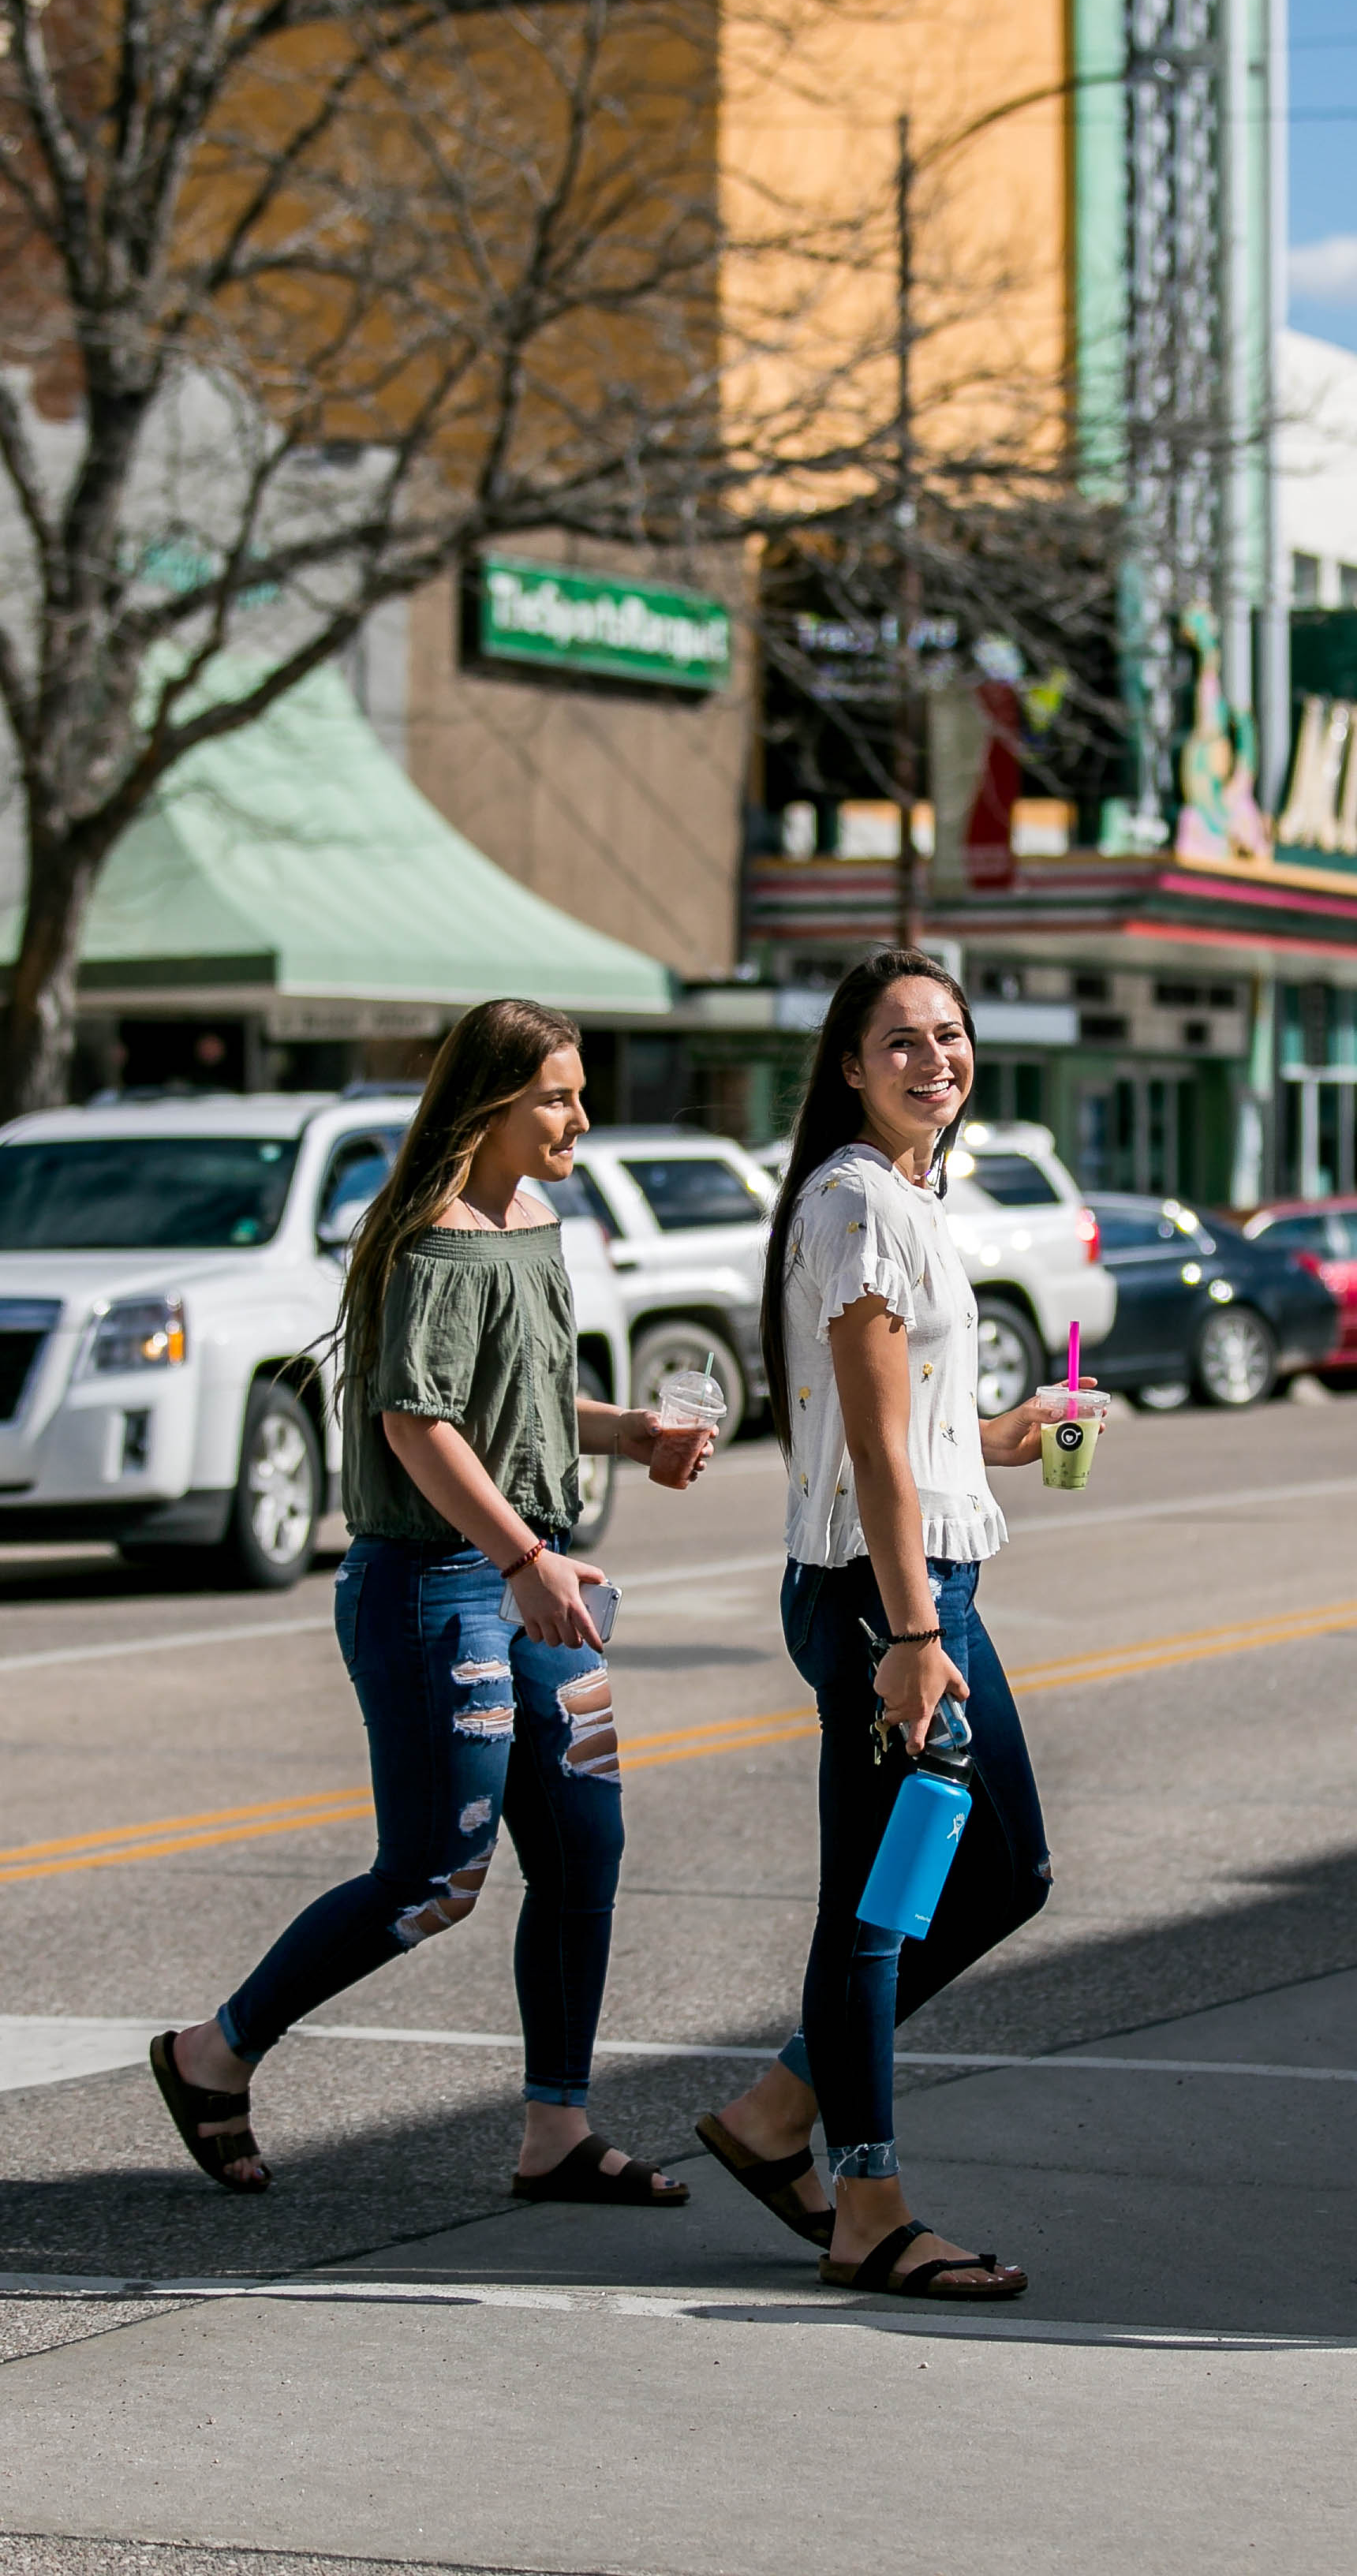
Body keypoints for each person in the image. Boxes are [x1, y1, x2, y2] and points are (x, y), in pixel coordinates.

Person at [151, 1000, 716, 2201]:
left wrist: (630, 1434)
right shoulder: (435, 1240)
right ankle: (214, 2053)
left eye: (577, 1092)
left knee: (582, 1850)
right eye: (554, 1096)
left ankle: (555, 2133)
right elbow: (418, 1424)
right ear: (489, 1107)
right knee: (433, 1878)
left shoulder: (535, 1220)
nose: (578, 1116)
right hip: (440, 1588)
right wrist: (523, 1559)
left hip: (528, 1575)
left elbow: (515, 1403)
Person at [690, 948, 1086, 2297]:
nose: (937, 1058)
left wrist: (999, 1440)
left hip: (916, 1589)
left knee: (1007, 1869)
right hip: (888, 1602)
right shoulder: (857, 1203)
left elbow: (906, 1426)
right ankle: (866, 2201)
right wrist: (914, 1640)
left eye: (952, 1035)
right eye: (903, 1041)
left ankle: (777, 2113)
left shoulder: (903, 1197)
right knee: (878, 1907)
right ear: (850, 1067)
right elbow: (867, 1448)